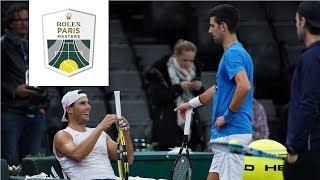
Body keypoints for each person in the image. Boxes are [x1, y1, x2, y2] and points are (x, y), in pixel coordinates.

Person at [175, 4, 254, 180]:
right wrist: (191, 104)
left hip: (231, 133)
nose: (209, 30)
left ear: (223, 26)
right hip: (225, 135)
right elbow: (218, 88)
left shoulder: (232, 55)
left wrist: (227, 116)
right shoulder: (236, 53)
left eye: (212, 25)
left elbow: (244, 86)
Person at [1, 4, 48, 165]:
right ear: (10, 22)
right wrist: (14, 91)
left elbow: (49, 77)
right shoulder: (3, 45)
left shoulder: (39, 44)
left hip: (35, 111)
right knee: (10, 161)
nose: (23, 23)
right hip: (10, 111)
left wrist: (43, 101)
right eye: (19, 20)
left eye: (26, 19)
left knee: (33, 162)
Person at [53, 90, 134, 180]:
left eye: (88, 103)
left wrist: (125, 132)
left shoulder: (101, 134)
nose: (88, 107)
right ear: (69, 109)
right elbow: (78, 155)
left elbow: (127, 159)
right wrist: (100, 127)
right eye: (82, 103)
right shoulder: (62, 135)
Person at [145, 39, 205, 151]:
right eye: (185, 60)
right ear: (175, 55)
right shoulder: (159, 70)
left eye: (191, 61)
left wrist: (199, 89)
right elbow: (156, 98)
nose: (188, 64)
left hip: (191, 123)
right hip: (167, 125)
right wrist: (179, 88)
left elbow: (200, 102)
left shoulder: (195, 70)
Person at [284, 2, 320, 180]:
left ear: (303, 21)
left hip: (309, 151)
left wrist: (294, 147)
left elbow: (309, 104)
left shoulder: (311, 58)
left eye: (296, 19)